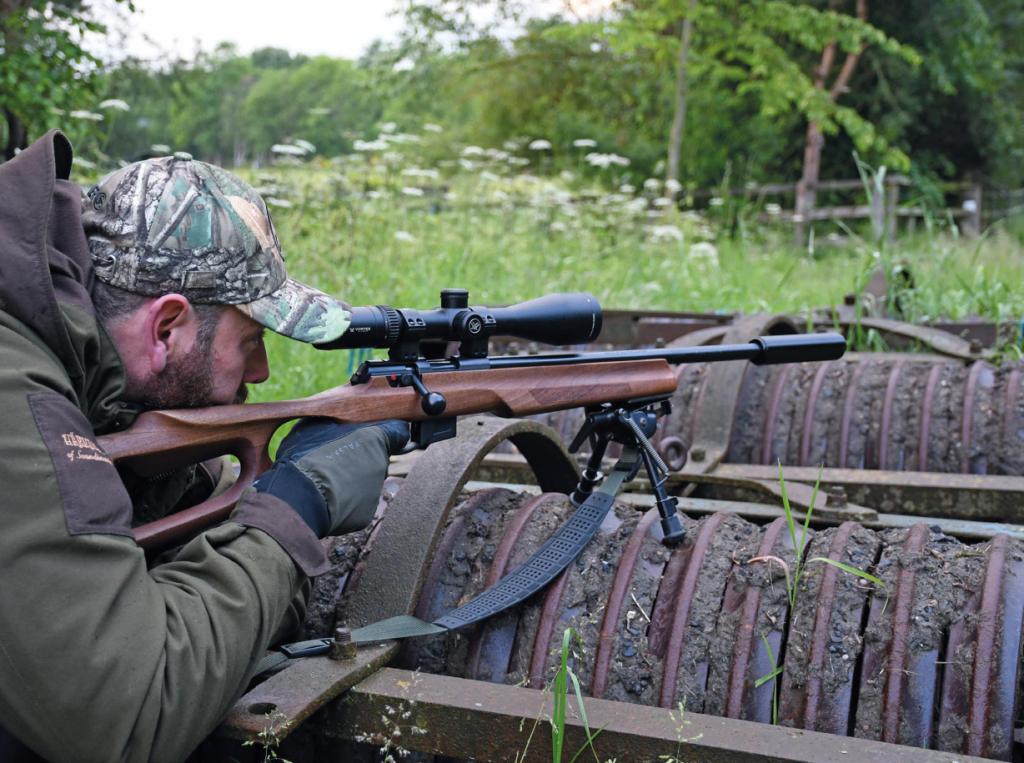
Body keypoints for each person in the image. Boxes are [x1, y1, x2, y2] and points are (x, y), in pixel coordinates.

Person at [0, 130, 405, 762]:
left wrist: (228, 494)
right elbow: (123, 717)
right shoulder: (15, 388)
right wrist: (290, 513)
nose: (264, 371)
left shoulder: (64, 354)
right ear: (166, 327)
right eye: (249, 340)